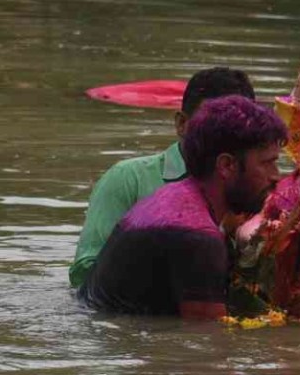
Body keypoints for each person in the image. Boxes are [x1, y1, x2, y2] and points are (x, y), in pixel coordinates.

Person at [78, 95, 287, 319]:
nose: (277, 176)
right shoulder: (198, 236)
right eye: (267, 163)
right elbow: (206, 345)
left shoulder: (169, 198)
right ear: (226, 165)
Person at [69, 67, 256, 288]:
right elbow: (84, 272)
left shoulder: (256, 187)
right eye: (209, 125)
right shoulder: (128, 179)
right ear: (181, 124)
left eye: (235, 128)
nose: (221, 137)